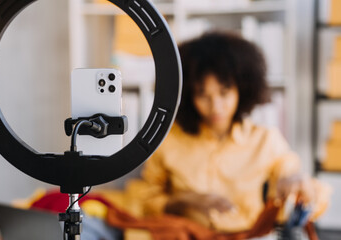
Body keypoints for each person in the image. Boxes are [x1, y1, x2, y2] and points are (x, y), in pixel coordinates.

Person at [140, 31, 330, 233]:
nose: (215, 106)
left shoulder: (264, 140)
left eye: (224, 93)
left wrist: (299, 186)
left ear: (242, 89)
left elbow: (311, 195)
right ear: (187, 95)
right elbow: (144, 202)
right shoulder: (169, 141)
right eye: (202, 95)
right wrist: (184, 201)